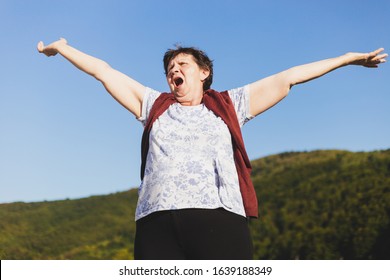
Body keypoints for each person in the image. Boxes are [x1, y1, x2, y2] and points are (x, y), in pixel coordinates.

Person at [37, 38, 387, 260]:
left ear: (203, 73)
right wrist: (63, 48)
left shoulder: (231, 104)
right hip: (156, 224)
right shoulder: (152, 106)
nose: (174, 69)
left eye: (182, 65)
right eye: (169, 68)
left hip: (219, 219)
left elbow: (289, 77)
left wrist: (347, 59)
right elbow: (104, 71)